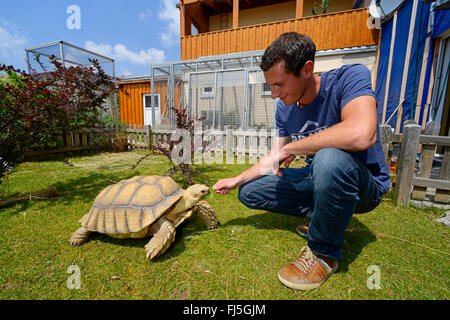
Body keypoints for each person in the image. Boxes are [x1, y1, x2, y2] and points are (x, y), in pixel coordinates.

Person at [212, 32, 390, 291]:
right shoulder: (285, 107)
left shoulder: (350, 77)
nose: (273, 94)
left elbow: (362, 133)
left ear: (307, 69)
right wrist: (236, 179)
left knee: (329, 158)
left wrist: (294, 146)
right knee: (250, 192)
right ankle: (325, 216)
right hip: (316, 176)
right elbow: (275, 157)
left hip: (363, 185)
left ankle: (323, 254)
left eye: (280, 85)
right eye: (269, 86)